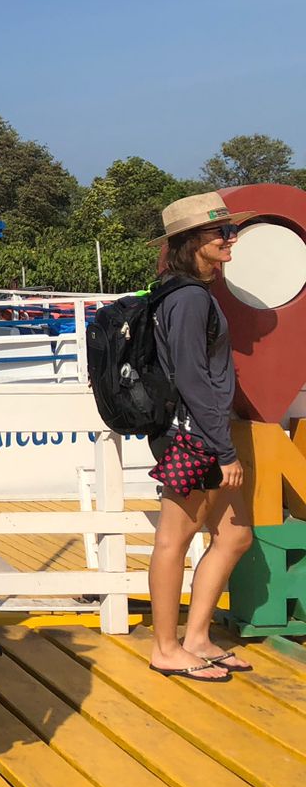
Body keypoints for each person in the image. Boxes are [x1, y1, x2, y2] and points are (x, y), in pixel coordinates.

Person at [145, 193, 255, 682]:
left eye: (231, 231)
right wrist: (224, 448)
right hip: (192, 436)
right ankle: (165, 647)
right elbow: (193, 378)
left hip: (200, 431)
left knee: (234, 534)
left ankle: (196, 637)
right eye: (221, 233)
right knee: (175, 538)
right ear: (191, 242)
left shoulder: (188, 293)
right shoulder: (188, 298)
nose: (231, 239)